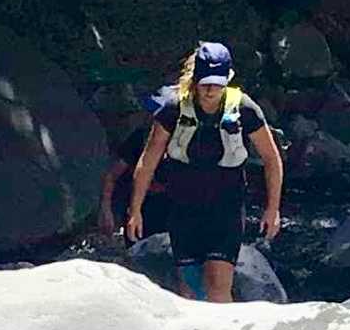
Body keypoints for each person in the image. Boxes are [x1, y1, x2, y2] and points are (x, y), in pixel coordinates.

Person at [126, 42, 283, 303]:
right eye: (205, 83)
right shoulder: (174, 109)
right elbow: (149, 159)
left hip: (226, 209)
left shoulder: (245, 109)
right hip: (183, 209)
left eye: (217, 83)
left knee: (218, 288)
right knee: (189, 292)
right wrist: (135, 209)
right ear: (195, 79)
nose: (210, 90)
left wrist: (272, 209)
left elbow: (271, 159)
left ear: (227, 80)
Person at [97, 85, 177, 238]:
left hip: (175, 210)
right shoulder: (139, 139)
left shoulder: (187, 141)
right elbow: (112, 176)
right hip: (142, 208)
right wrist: (106, 209)